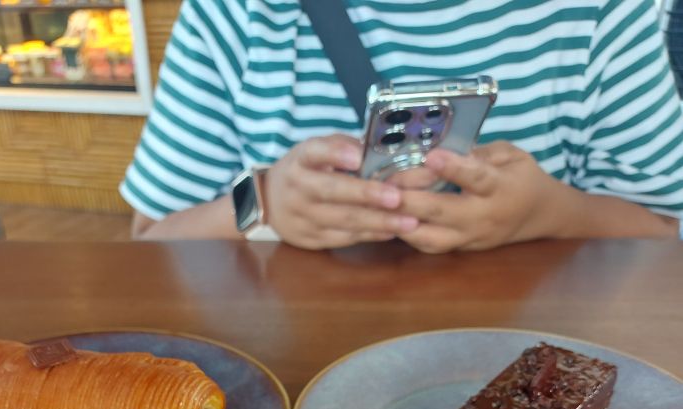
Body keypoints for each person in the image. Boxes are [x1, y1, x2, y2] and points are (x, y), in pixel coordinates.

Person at [122, 0, 683, 252]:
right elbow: (153, 235)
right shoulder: (234, 14)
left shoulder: (601, 11)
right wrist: (263, 201)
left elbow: (661, 226)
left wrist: (550, 212)